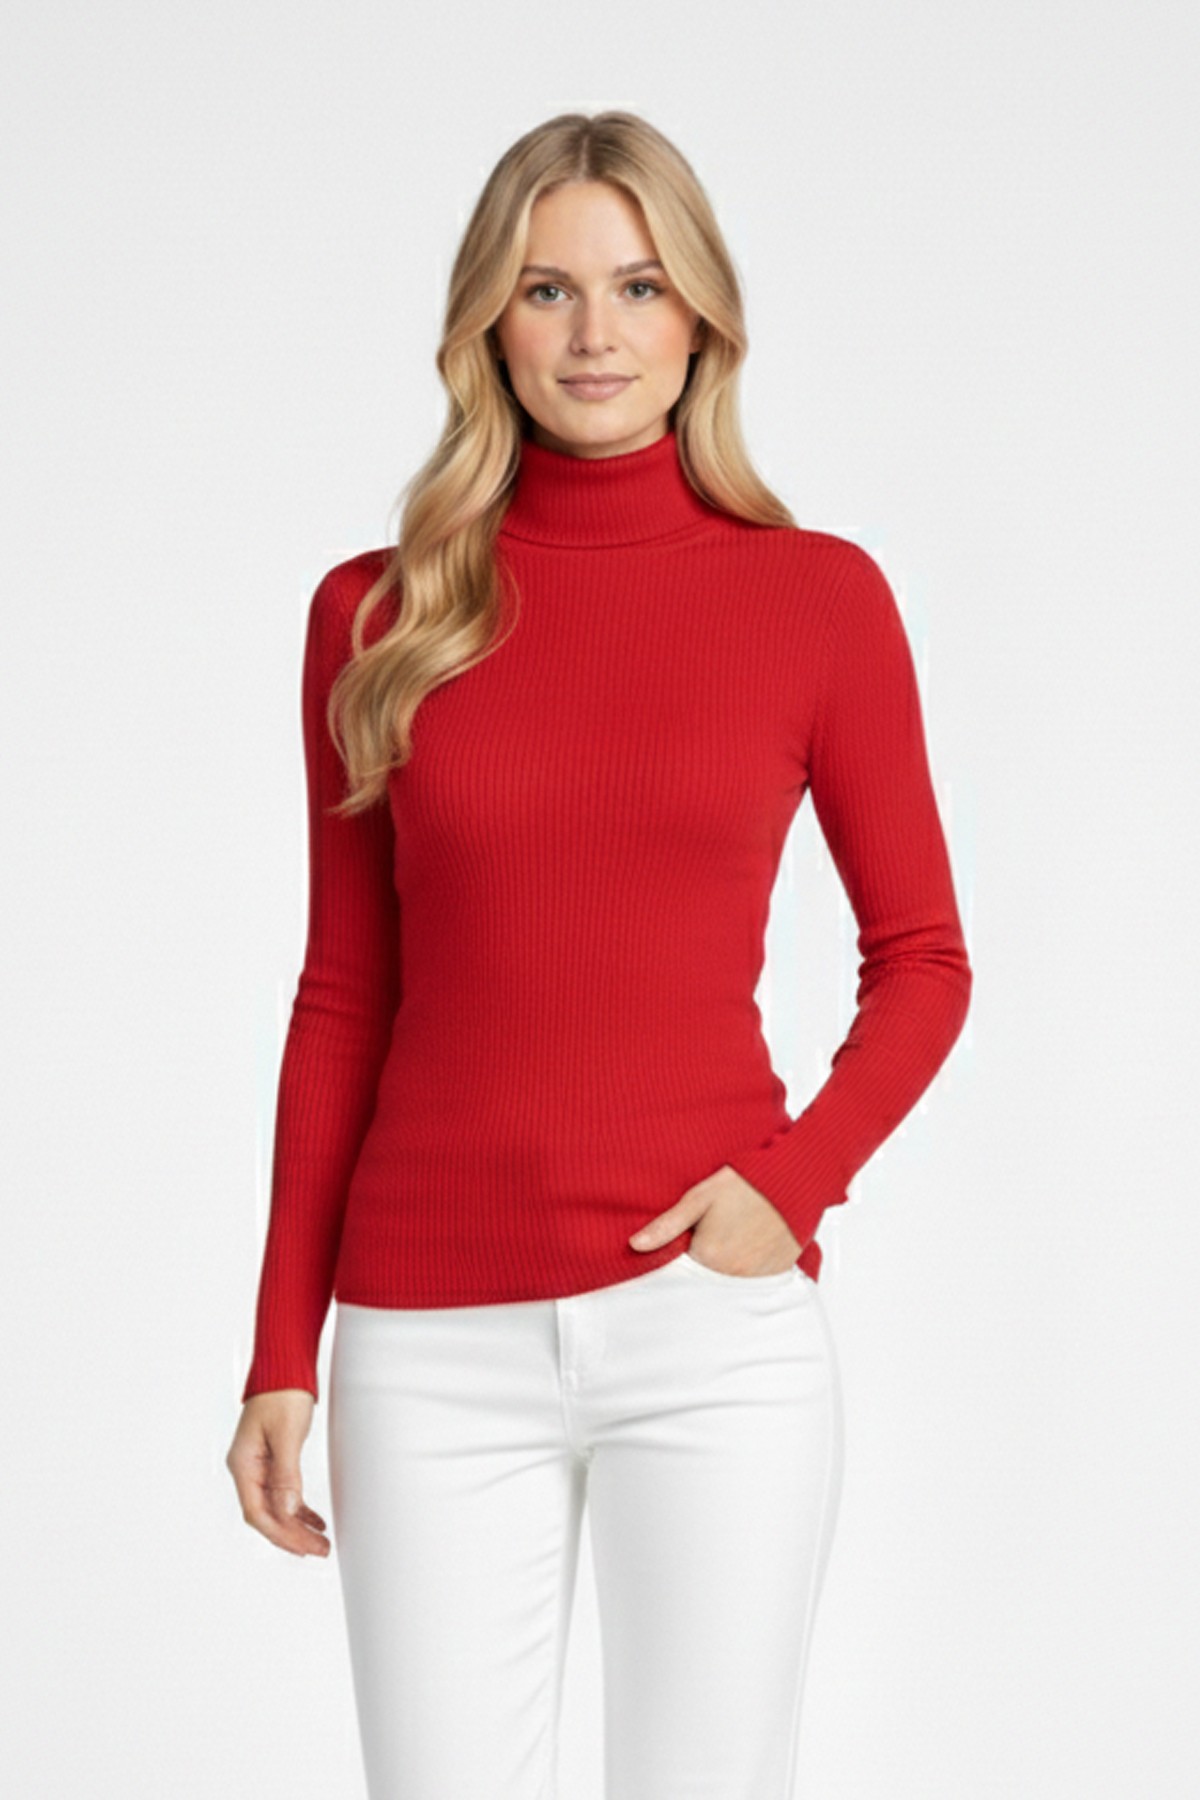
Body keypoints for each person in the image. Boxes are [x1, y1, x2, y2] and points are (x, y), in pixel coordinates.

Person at [226, 109, 972, 1798]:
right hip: (426, 1341)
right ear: (487, 322)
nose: (594, 334)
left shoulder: (816, 600)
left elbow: (925, 957)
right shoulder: (377, 615)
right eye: (546, 289)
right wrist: (282, 1349)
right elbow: (345, 994)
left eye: (638, 286)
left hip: (709, 1328)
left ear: (701, 315)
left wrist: (790, 1188)